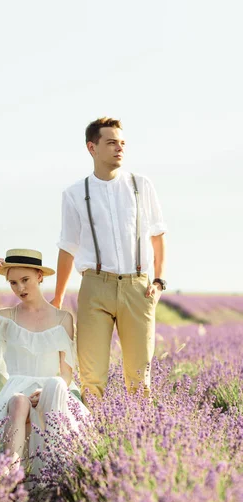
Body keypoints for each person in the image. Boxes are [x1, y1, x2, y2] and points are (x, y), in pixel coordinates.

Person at [52, 117, 167, 400]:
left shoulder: (141, 185)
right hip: (95, 287)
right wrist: (57, 300)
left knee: (140, 378)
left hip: (137, 286)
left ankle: (138, 440)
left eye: (122, 143)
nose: (119, 148)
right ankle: (90, 441)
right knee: (91, 378)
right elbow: (68, 247)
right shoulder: (75, 194)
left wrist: (159, 280)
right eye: (112, 142)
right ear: (92, 147)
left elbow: (157, 234)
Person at [0, 248, 88, 477]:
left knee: (55, 386)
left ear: (40, 276)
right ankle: (11, 474)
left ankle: (56, 474)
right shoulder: (7, 316)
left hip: (51, 390)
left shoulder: (63, 318)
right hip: (16, 390)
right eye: (13, 283)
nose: (20, 288)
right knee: (18, 402)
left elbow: (67, 374)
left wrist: (45, 390)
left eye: (25, 280)